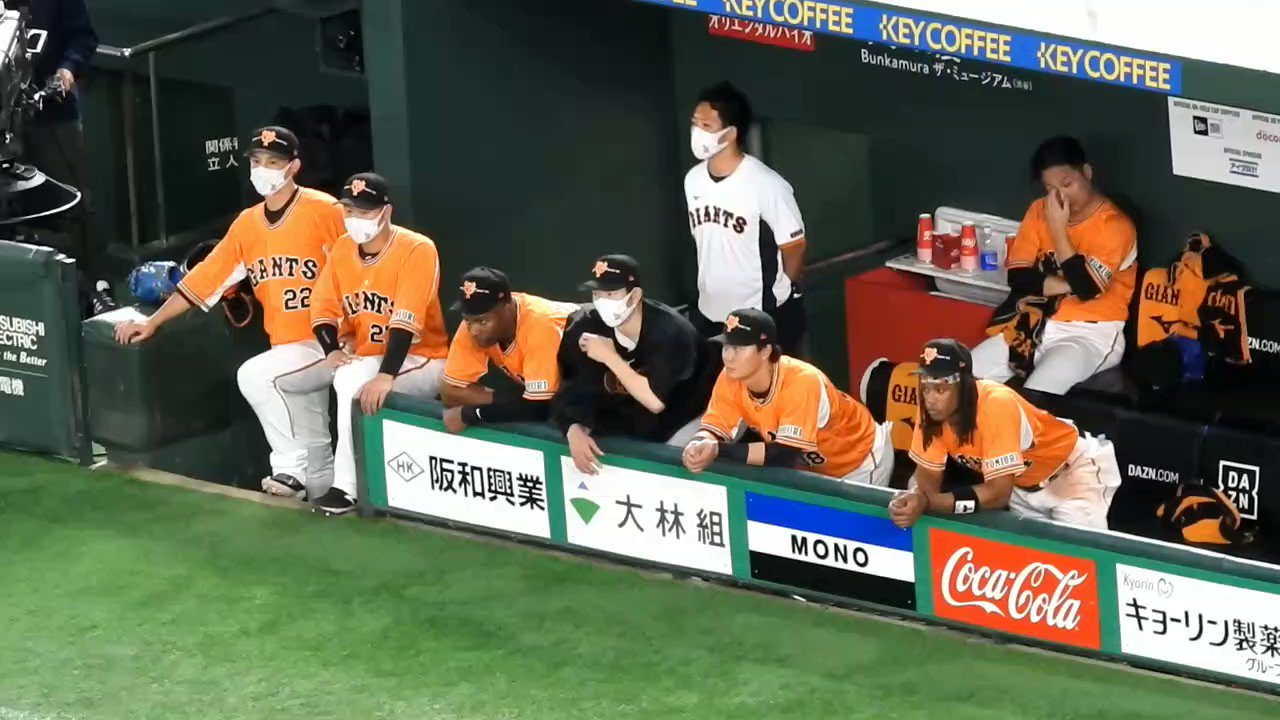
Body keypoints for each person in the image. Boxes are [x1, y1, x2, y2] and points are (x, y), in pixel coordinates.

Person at [113, 126, 345, 500]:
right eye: (257, 161)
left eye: (274, 162)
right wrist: (153, 322)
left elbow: (361, 268)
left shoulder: (325, 211)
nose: (263, 169)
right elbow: (204, 280)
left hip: (331, 343)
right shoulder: (248, 225)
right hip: (289, 348)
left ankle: (288, 469)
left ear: (294, 167)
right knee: (313, 441)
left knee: (256, 375)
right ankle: (318, 508)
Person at [309, 172, 448, 516]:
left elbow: (405, 320)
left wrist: (386, 375)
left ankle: (347, 487)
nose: (355, 218)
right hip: (370, 357)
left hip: (423, 357)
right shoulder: (342, 248)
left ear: (386, 211)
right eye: (349, 210)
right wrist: (331, 349)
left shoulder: (417, 248)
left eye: (365, 211)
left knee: (351, 380)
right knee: (348, 375)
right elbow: (322, 307)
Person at [889, 339, 1121, 530]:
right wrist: (916, 496)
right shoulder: (931, 412)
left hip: (1072, 472)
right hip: (1022, 485)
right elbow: (926, 477)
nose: (930, 399)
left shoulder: (995, 404)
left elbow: (997, 494)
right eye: (926, 387)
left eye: (940, 388)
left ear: (965, 385)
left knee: (1081, 560)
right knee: (1032, 560)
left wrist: (931, 502)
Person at [972, 136, 1138, 394]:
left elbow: (1087, 290)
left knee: (1037, 394)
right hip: (1035, 323)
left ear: (1087, 172)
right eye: (1051, 189)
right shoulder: (1039, 210)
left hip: (1090, 334)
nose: (1061, 196)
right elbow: (1018, 277)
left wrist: (1058, 229)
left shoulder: (1115, 226)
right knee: (961, 380)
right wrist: (1070, 284)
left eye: (1067, 184)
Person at [682, 309, 893, 485]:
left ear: (765, 351)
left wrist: (718, 451)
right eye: (726, 346)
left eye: (738, 348)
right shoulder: (731, 377)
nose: (728, 356)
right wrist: (700, 443)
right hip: (814, 467)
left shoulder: (802, 381)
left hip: (861, 460)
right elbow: (714, 427)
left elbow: (782, 455)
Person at [553, 254, 720, 475]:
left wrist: (610, 357)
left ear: (635, 296)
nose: (602, 301)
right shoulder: (584, 326)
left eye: (611, 294)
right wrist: (574, 428)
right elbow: (573, 387)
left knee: (683, 459)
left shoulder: (670, 332)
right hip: (634, 422)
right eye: (596, 294)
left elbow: (655, 401)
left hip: (688, 415)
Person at [684, 81, 808, 356]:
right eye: (694, 123)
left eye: (706, 125)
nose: (697, 131)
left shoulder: (766, 184)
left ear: (730, 134)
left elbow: (794, 245)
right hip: (710, 314)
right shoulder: (692, 180)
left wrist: (785, 289)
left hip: (760, 314)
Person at [439, 267, 580, 433]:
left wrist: (472, 413)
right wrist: (512, 402)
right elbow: (450, 392)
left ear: (506, 307)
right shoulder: (472, 326)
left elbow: (541, 408)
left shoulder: (539, 325)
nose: (473, 330)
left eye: (483, 321)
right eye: (467, 319)